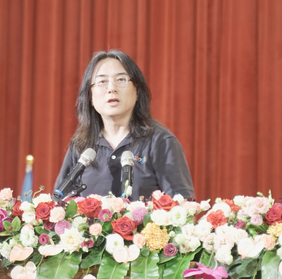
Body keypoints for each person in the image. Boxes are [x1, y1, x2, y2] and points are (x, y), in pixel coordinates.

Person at [54, 50, 194, 200]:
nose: (111, 88)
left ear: (137, 90)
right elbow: (58, 203)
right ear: (90, 97)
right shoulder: (81, 145)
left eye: (121, 80)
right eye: (102, 82)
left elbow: (183, 207)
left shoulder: (160, 142)